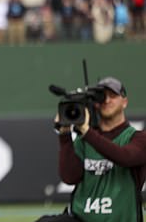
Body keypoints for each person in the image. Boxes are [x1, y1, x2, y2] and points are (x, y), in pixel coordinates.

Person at [36, 77, 146, 222]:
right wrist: (65, 135)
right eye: (101, 97)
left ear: (124, 102)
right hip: (81, 218)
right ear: (95, 105)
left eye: (112, 96)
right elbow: (70, 177)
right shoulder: (85, 140)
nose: (107, 100)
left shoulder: (138, 138)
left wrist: (87, 132)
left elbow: (125, 157)